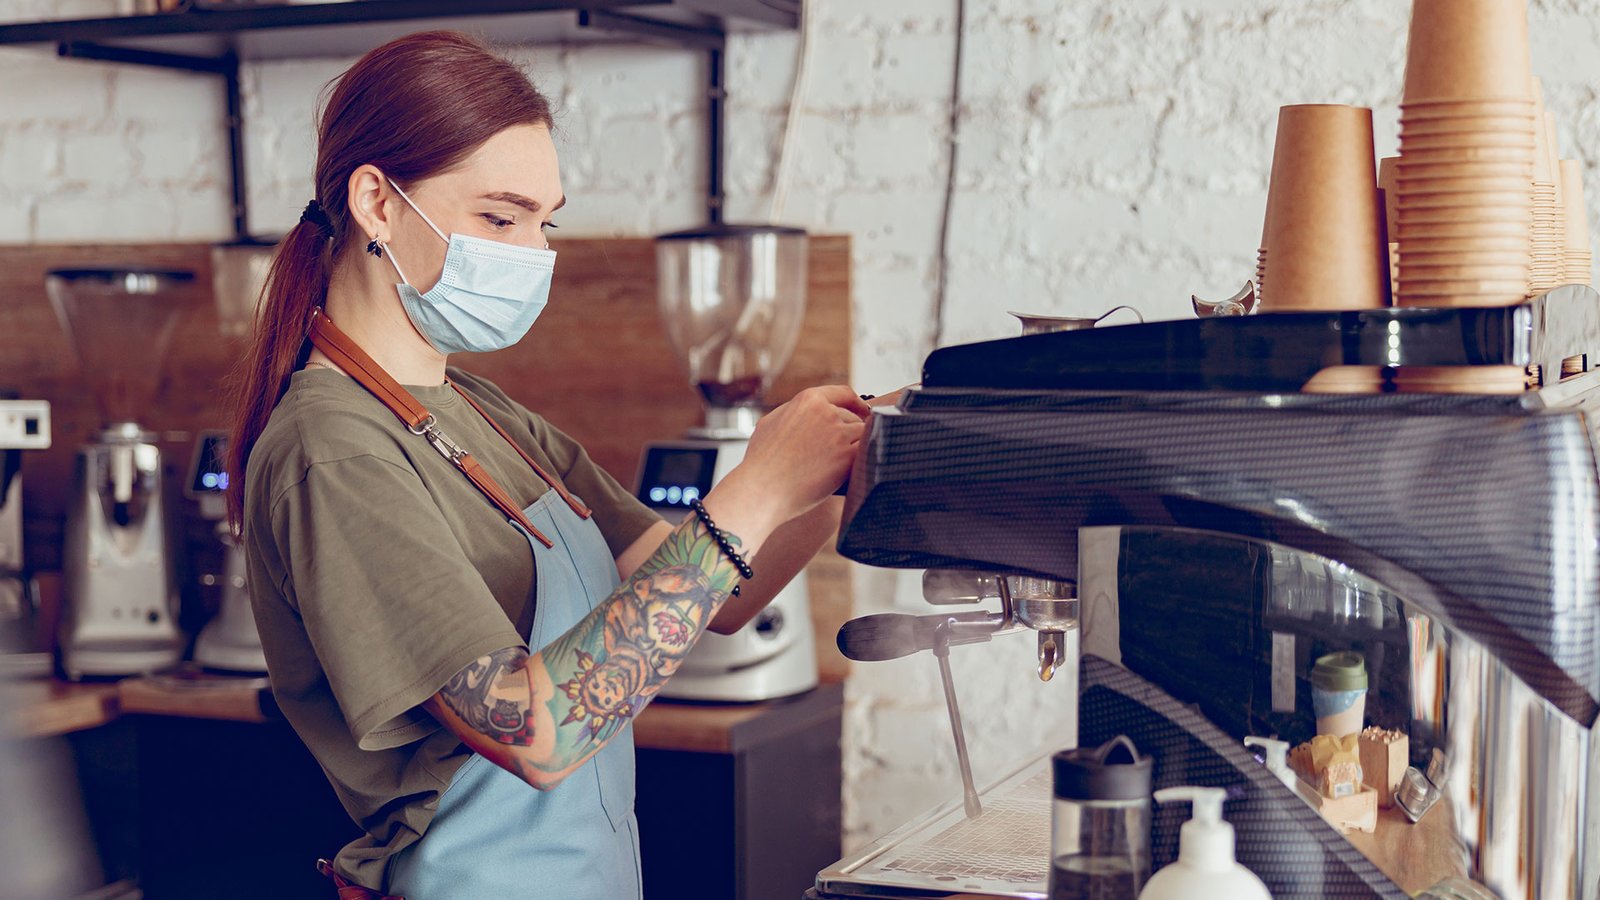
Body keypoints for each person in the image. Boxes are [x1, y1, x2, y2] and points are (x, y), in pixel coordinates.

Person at [226, 31, 869, 899]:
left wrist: (831, 479)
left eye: (544, 221)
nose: (532, 253)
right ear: (376, 203)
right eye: (500, 217)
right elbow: (537, 730)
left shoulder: (485, 413)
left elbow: (720, 599)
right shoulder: (331, 449)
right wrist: (757, 485)